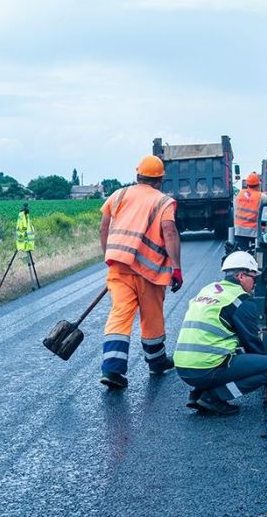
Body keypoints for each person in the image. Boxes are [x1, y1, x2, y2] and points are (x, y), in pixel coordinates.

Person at [97, 156, 182, 390]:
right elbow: (170, 232)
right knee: (151, 315)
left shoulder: (118, 195)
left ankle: (112, 369)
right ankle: (156, 362)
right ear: (161, 179)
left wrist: (110, 256)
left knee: (120, 314)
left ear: (137, 176)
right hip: (149, 270)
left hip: (118, 266)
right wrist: (177, 268)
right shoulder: (163, 202)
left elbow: (104, 227)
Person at [174, 251, 267, 416]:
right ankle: (214, 397)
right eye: (254, 278)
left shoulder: (208, 289)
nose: (254, 284)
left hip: (183, 367)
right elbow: (251, 343)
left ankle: (197, 394)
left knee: (229, 346)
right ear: (240, 276)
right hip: (204, 369)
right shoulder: (240, 300)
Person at [233, 172, 267, 250]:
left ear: (247, 184)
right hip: (253, 232)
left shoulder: (239, 194)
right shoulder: (262, 197)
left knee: (243, 254)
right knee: (258, 253)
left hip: (239, 231)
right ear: (258, 184)